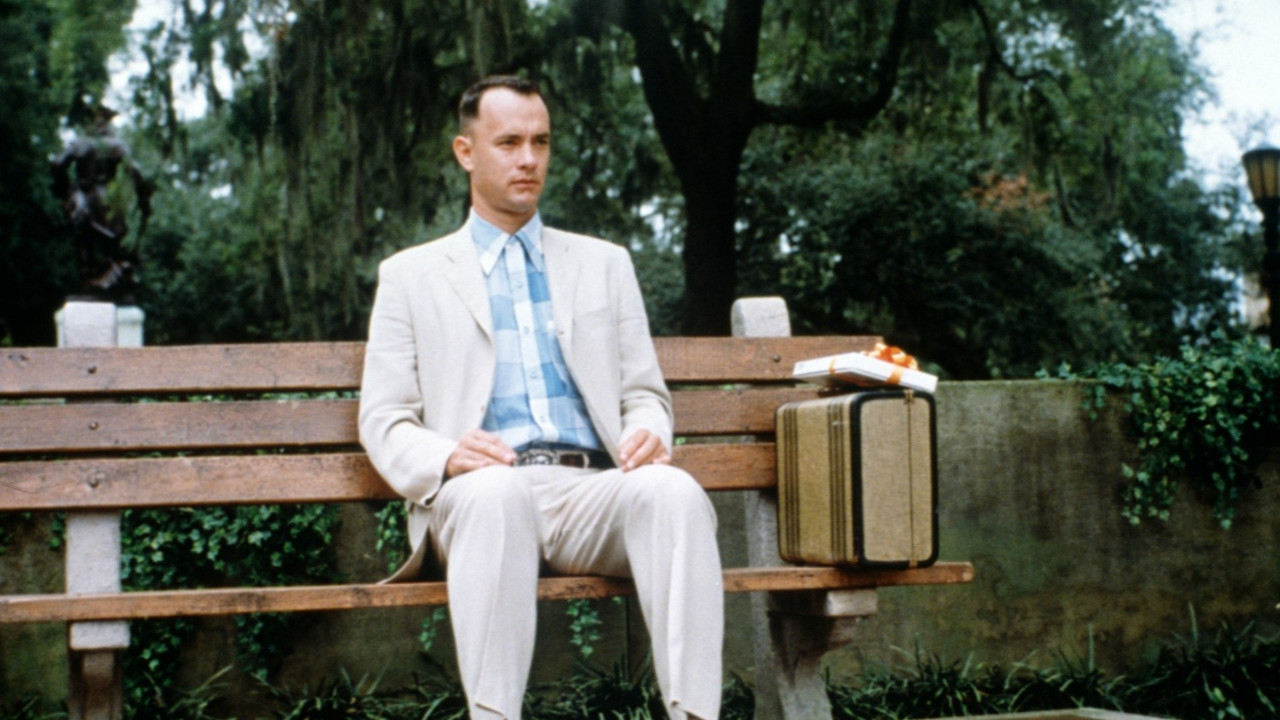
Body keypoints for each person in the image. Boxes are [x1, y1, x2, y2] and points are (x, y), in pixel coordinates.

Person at [358, 75, 724, 720]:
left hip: (591, 492)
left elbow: (644, 394)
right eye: (508, 143)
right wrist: (447, 455)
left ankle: (695, 715)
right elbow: (385, 419)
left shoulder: (604, 264)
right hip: (481, 492)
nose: (528, 159)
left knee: (675, 493)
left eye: (540, 142)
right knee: (495, 494)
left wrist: (648, 430)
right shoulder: (410, 276)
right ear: (466, 152)